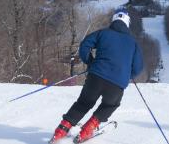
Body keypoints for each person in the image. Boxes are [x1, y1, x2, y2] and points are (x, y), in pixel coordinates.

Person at [50, 8, 144, 143]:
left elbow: (84, 46)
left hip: (96, 76)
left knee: (83, 103)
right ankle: (88, 129)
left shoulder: (102, 33)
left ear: (114, 20)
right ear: (127, 23)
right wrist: (125, 75)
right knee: (110, 105)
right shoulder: (133, 43)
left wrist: (90, 62)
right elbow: (138, 67)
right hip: (117, 84)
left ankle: (60, 131)